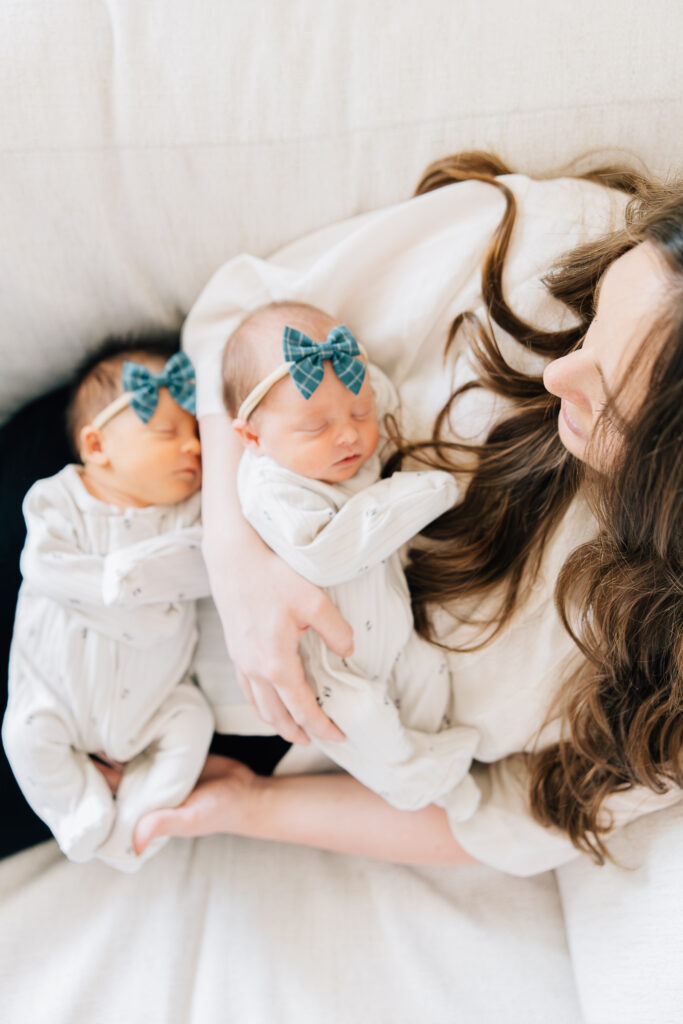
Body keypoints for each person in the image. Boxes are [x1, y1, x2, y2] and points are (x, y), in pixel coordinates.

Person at [135, 153, 682, 876]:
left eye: (608, 398)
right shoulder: (563, 238)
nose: (556, 374)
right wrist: (235, 560)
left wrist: (248, 807)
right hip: (140, 485)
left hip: (209, 732)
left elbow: (516, 818)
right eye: (591, 327)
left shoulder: (657, 676)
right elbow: (242, 318)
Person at [223, 300, 480, 815]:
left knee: (430, 670)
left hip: (393, 635)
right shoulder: (270, 485)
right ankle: (426, 782)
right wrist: (431, 490)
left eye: (359, 413)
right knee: (364, 719)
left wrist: (349, 378)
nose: (347, 435)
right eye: (315, 427)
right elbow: (328, 553)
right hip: (331, 672)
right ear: (253, 437)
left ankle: (442, 761)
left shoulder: (342, 451)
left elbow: (375, 391)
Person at [2, 338, 214, 871]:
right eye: (168, 432)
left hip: (153, 704)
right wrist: (130, 590)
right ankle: (79, 814)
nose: (192, 447)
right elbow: (45, 567)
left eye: (195, 434)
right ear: (97, 447)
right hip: (58, 695)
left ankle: (139, 819)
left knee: (192, 723)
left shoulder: (191, 515)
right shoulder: (58, 499)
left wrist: (126, 584)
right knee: (24, 735)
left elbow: (202, 563)